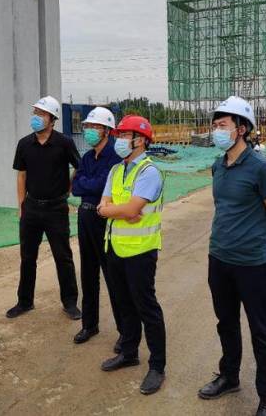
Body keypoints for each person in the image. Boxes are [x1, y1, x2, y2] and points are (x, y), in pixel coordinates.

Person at [197, 96, 266, 416]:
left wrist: (252, 240)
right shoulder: (218, 166)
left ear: (242, 129)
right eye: (215, 125)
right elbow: (224, 208)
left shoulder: (262, 168)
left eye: (223, 125)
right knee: (226, 323)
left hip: (252, 264)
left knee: (261, 329)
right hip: (219, 259)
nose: (216, 131)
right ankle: (229, 376)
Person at [97, 115, 166, 396]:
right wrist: (119, 211)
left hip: (140, 251)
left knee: (146, 307)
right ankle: (129, 352)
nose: (120, 140)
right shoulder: (116, 170)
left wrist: (118, 210)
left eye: (125, 135)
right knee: (123, 304)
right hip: (114, 247)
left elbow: (130, 209)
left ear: (141, 141)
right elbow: (104, 205)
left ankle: (157, 366)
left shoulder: (149, 172)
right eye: (119, 135)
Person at [7, 95, 82, 320]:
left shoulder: (64, 143)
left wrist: (68, 188)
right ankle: (24, 301)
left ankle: (70, 302)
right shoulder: (24, 144)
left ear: (52, 118)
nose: (36, 117)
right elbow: (21, 175)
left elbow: (79, 167)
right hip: (31, 208)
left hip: (56, 209)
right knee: (27, 257)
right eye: (35, 113)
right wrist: (21, 205)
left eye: (41, 114)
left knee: (63, 257)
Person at [71, 107, 123, 348]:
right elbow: (76, 187)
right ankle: (89, 324)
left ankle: (125, 332)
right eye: (88, 127)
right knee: (88, 273)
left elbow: (104, 186)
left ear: (107, 131)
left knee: (113, 276)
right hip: (85, 216)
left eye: (95, 127)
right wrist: (88, 184)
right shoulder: (87, 157)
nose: (90, 131)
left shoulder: (115, 157)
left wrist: (87, 183)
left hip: (105, 219)